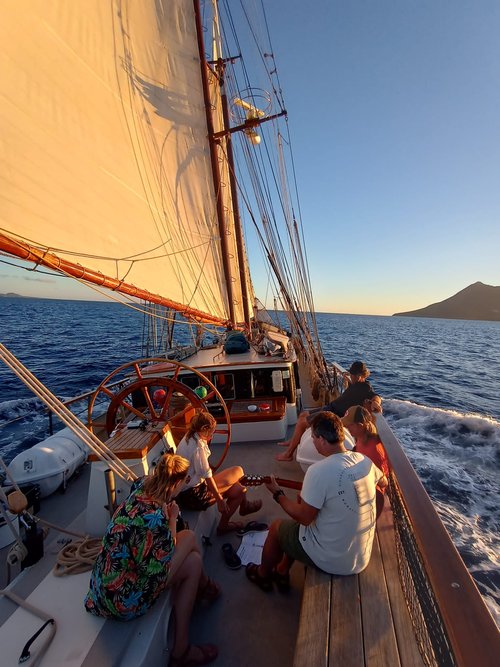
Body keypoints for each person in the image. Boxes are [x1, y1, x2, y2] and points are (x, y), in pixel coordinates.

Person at [84, 454, 219, 667]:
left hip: (103, 590)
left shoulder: (141, 486)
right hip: (125, 600)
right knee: (192, 553)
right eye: (183, 482)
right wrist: (173, 517)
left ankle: (205, 589)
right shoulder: (154, 517)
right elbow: (167, 553)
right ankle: (182, 647)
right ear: (175, 483)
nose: (184, 486)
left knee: (192, 557)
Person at [246, 412, 387, 591]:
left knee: (276, 528)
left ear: (321, 439)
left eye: (313, 437)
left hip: (334, 560)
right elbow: (383, 483)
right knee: (296, 528)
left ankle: (262, 575)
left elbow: (304, 518)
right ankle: (282, 571)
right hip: (360, 557)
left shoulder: (317, 471)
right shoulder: (364, 460)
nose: (312, 441)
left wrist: (278, 494)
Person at [176, 411, 262, 535]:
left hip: (189, 491)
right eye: (211, 432)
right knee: (238, 471)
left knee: (239, 490)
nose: (212, 435)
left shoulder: (190, 436)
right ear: (204, 429)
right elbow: (207, 475)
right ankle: (242, 509)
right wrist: (220, 501)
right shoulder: (197, 448)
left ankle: (227, 522)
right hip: (194, 495)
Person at [276, 361, 374, 462]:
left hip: (334, 414)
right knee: (303, 414)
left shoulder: (365, 388)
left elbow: (375, 396)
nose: (351, 377)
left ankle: (288, 454)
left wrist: (376, 402)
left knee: (302, 422)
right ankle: (293, 441)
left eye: (352, 375)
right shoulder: (355, 384)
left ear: (359, 376)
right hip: (330, 407)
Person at [345, 406, 390, 519]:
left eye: (350, 425)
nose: (346, 427)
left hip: (372, 494)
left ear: (360, 426)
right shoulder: (360, 438)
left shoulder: (373, 450)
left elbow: (379, 483)